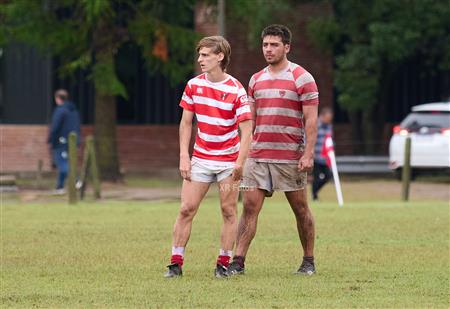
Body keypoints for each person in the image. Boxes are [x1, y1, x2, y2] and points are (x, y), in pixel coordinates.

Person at [227, 24, 319, 276]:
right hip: (257, 156)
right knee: (249, 208)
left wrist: (308, 153)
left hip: (289, 156)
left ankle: (308, 260)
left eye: (274, 45)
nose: (268, 49)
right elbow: (250, 122)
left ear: (286, 47)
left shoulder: (302, 78)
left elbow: (311, 120)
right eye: (265, 44)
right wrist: (242, 154)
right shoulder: (255, 79)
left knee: (300, 209)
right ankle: (238, 261)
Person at [164, 36, 253, 278]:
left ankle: (222, 264)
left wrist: (240, 162)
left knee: (228, 211)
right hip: (201, 158)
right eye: (200, 55)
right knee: (186, 209)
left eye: (205, 55)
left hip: (228, 160)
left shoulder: (236, 89)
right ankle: (175, 263)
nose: (200, 59)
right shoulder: (193, 85)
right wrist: (184, 156)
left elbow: (247, 130)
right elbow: (185, 123)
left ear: (220, 57)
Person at [47, 89, 81, 195]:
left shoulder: (60, 110)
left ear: (57, 98)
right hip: (73, 141)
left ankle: (76, 180)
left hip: (60, 141)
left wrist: (50, 139)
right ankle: (60, 187)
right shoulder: (74, 111)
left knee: (61, 162)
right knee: (65, 162)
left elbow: (55, 126)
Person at [312, 107, 334, 201]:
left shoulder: (329, 126)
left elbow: (329, 140)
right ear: (322, 116)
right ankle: (314, 195)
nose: (329, 120)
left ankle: (315, 191)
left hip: (325, 158)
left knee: (328, 176)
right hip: (316, 156)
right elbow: (308, 138)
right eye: (328, 118)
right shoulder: (315, 125)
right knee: (316, 177)